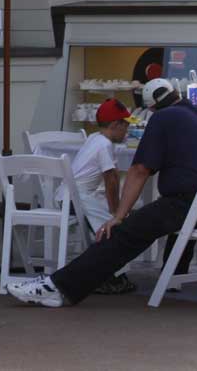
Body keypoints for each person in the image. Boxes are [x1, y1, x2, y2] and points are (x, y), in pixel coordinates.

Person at [7, 78, 197, 308]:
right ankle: (173, 275)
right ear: (176, 95)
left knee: (127, 232)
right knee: (172, 218)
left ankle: (57, 288)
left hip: (194, 205)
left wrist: (119, 216)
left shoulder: (163, 118)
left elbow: (140, 170)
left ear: (151, 108)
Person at [66, 98, 135, 295]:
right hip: (78, 198)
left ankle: (112, 275)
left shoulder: (94, 138)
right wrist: (115, 211)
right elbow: (111, 179)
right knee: (109, 230)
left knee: (107, 227)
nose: (127, 131)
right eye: (125, 126)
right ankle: (105, 277)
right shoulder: (104, 145)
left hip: (70, 196)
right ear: (115, 125)